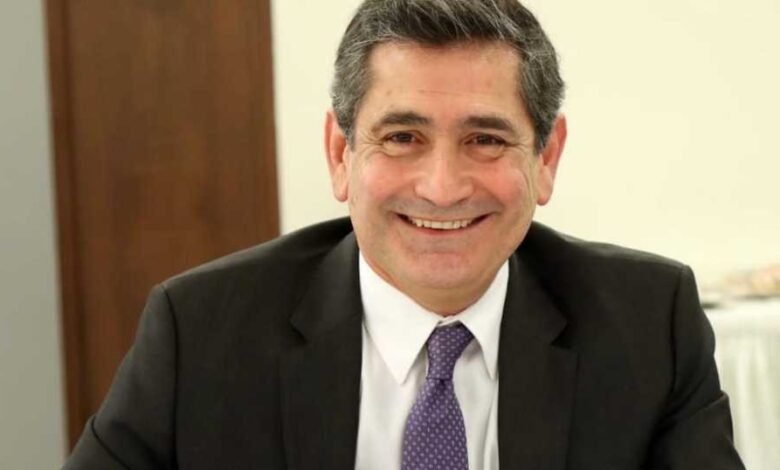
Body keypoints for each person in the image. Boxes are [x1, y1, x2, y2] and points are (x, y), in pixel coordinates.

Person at [64, 1, 744, 469]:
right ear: (340, 154)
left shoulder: (648, 322)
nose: (442, 187)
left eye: (485, 139)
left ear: (546, 158)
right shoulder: (201, 332)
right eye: (402, 137)